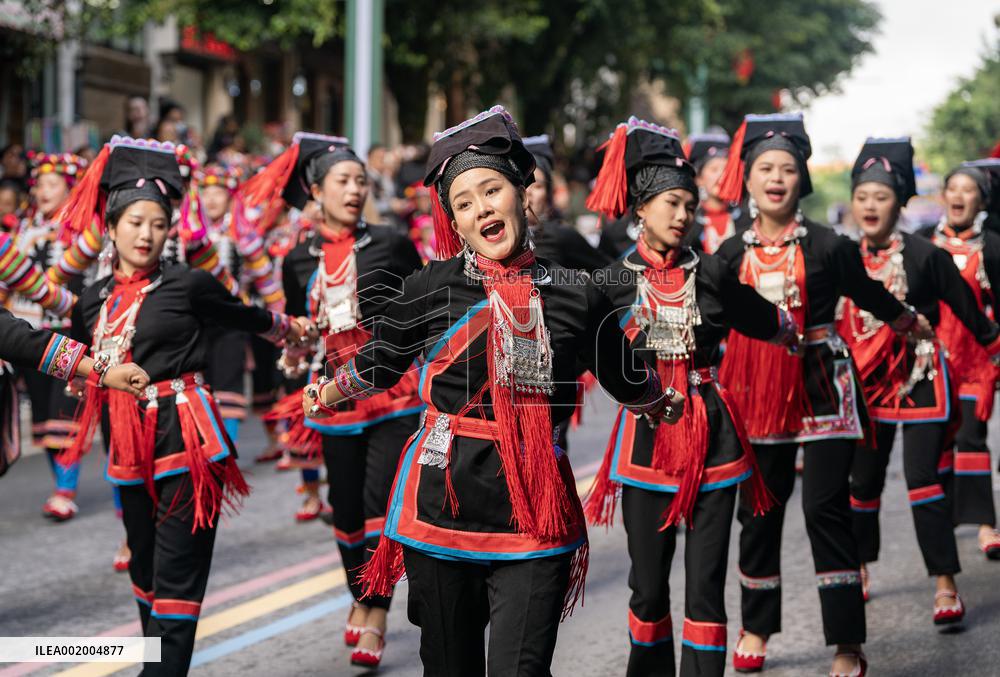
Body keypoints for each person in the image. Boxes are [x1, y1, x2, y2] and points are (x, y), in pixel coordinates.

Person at [303, 105, 679, 676]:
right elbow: (383, 361)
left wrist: (658, 401)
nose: (481, 208)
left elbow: (624, 374)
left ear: (521, 192)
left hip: (534, 507)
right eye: (463, 202)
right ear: (453, 221)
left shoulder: (577, 293)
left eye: (491, 190)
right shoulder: (432, 285)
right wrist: (330, 392)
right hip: (440, 504)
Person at [59, 135, 308, 676]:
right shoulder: (92, 297)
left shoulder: (188, 283)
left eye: (157, 223)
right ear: (113, 226)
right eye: (134, 222)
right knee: (145, 573)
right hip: (126, 444)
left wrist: (288, 329)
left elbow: (240, 314)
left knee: (176, 575)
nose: (146, 234)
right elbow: (87, 355)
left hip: (188, 441)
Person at [713, 113, 933, 677]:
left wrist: (908, 320)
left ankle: (847, 643)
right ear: (749, 179)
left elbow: (868, 293)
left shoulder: (831, 246)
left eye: (788, 168)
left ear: (802, 180)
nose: (777, 177)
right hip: (756, 389)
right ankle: (757, 627)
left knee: (824, 509)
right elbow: (709, 316)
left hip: (822, 386)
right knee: (760, 512)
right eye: (766, 168)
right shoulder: (729, 255)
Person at [583, 117, 795, 677]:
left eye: (689, 205)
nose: (682, 216)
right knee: (648, 588)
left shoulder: (714, 275)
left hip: (713, 433)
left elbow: (770, 321)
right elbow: (570, 348)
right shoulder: (608, 285)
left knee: (705, 586)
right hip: (647, 441)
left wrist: (800, 333)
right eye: (671, 204)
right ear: (640, 210)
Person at [243, 131, 424, 667]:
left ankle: (376, 613)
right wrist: (293, 362)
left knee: (377, 509)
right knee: (344, 513)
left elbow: (424, 305)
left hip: (393, 391)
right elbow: (301, 331)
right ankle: (360, 597)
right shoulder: (296, 259)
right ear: (316, 191)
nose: (355, 189)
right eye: (343, 181)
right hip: (334, 395)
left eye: (361, 181)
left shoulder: (390, 242)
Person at [843, 138, 999, 628]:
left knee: (923, 481)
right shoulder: (841, 255)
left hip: (921, 381)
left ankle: (945, 583)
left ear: (901, 203)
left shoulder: (924, 254)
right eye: (863, 196)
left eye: (881, 197)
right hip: (866, 388)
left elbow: (972, 314)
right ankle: (859, 569)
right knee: (862, 485)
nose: (871, 205)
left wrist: (993, 348)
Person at [922, 159, 1000, 559]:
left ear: (981, 200)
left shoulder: (992, 248)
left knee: (972, 437)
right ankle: (943, 518)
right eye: (953, 188)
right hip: (931, 361)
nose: (959, 196)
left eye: (968, 190)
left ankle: (986, 524)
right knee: (938, 443)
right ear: (943, 195)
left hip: (976, 363)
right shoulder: (921, 243)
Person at [12, 151, 90, 520]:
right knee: (43, 416)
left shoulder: (83, 231)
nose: (44, 190)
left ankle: (65, 489)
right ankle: (60, 484)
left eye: (53, 184)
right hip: (29, 332)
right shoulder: (23, 232)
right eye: (40, 184)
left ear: (69, 188)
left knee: (64, 411)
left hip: (66, 330)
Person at [523, 134, 611, 273]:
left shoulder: (559, 235)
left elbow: (609, 273)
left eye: (537, 186)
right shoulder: (494, 240)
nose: (528, 192)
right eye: (520, 184)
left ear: (548, 194)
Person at [684, 132, 746, 253]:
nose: (721, 176)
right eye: (714, 170)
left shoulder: (746, 220)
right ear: (699, 179)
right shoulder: (689, 224)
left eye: (726, 169)